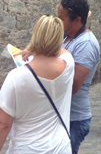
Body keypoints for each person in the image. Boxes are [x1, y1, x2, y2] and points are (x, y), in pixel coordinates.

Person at [0, 15, 74, 154]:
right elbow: (62, 52)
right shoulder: (68, 65)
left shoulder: (16, 77)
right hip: (61, 147)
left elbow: (3, 124)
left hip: (26, 148)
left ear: (35, 36)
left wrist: (34, 48)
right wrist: (40, 48)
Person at [57, 0, 100, 154]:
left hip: (74, 119)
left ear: (77, 20)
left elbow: (73, 85)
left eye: (62, 18)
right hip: (64, 115)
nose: (58, 21)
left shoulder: (86, 44)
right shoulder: (67, 37)